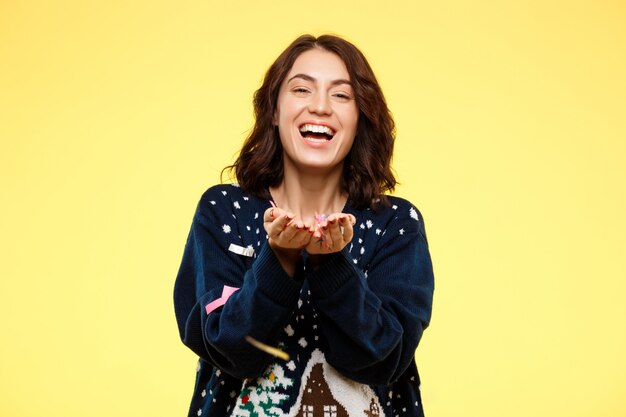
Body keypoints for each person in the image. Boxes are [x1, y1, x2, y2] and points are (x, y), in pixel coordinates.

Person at [174, 34, 435, 417]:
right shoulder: (223, 211)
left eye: (342, 95)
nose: (320, 107)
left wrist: (331, 265)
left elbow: (381, 360)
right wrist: (278, 258)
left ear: (361, 115)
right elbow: (229, 349)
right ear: (274, 110)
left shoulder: (395, 224)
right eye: (301, 89)